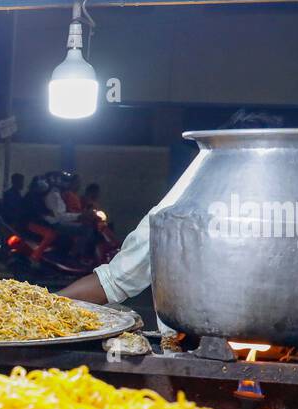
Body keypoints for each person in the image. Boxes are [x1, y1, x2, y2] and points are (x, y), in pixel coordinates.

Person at [60, 109, 284, 306]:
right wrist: (37, 308)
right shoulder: (174, 214)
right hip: (187, 348)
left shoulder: (296, 218)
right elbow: (116, 280)